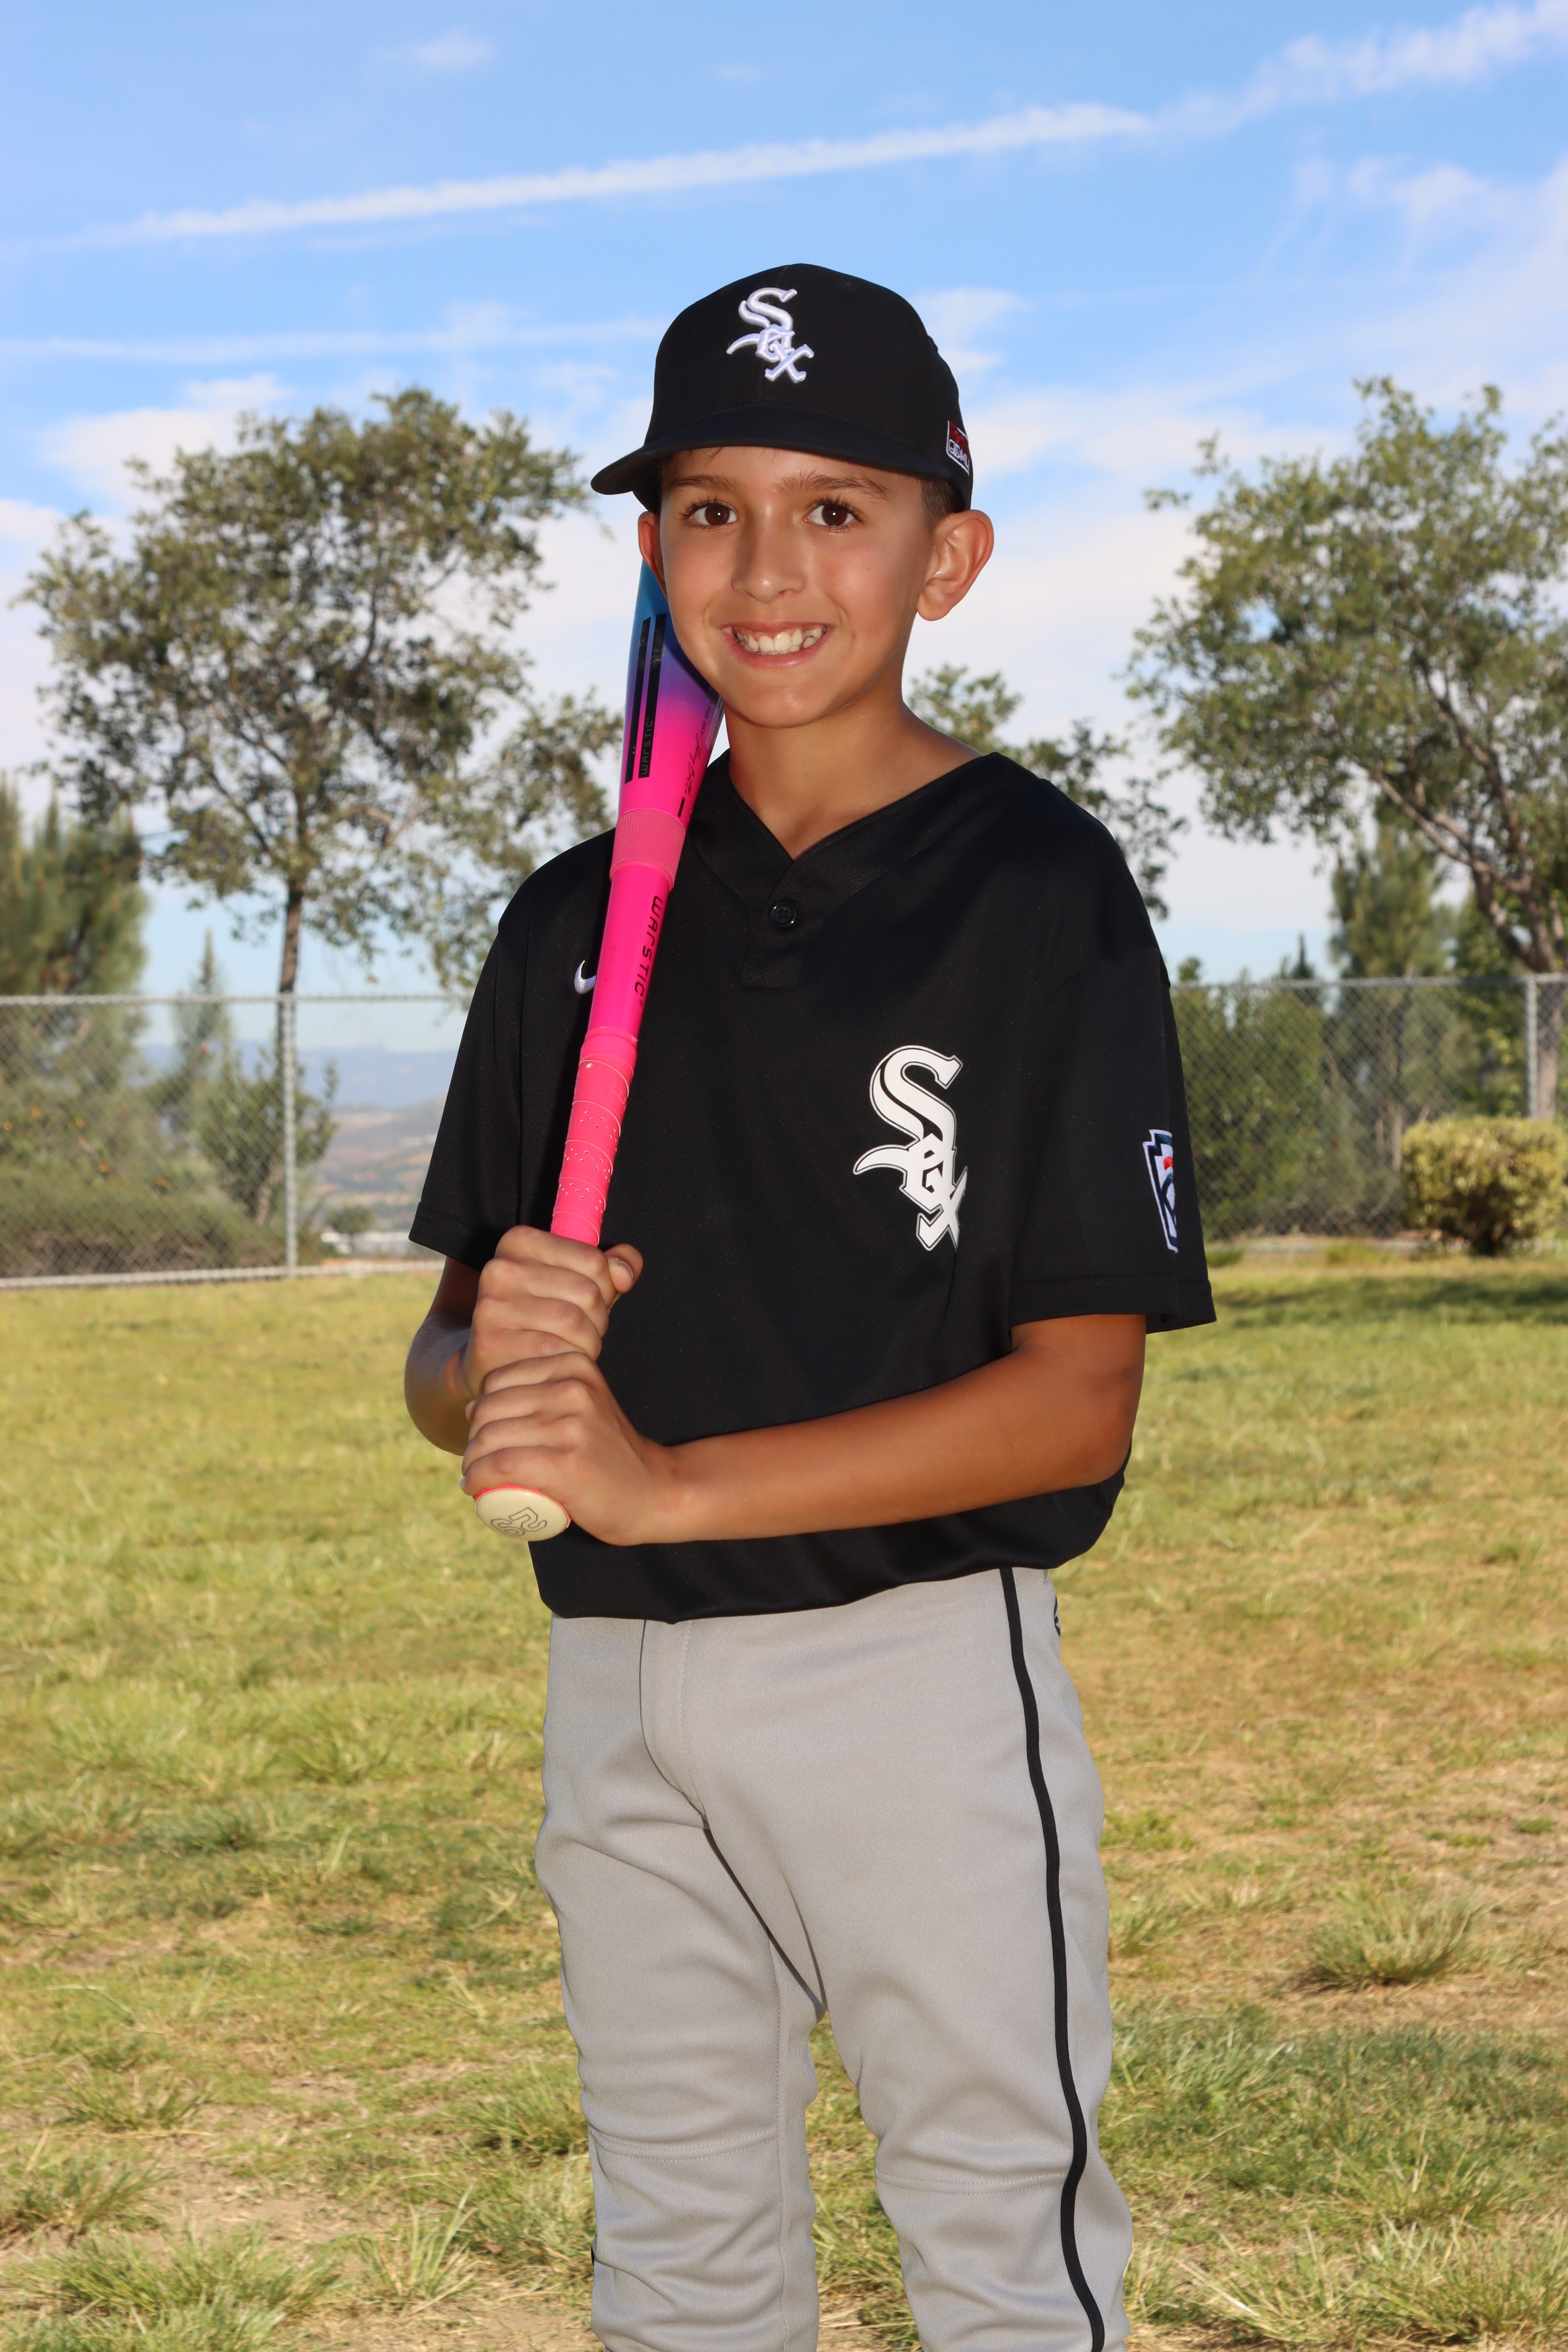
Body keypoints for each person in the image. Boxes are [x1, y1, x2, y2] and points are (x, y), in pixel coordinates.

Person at [404, 263, 1213, 2352]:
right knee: (677, 2264)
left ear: (948, 557)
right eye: (709, 509)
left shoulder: (1031, 889)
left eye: (834, 510)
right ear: (651, 551)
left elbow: (1077, 1404)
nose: (765, 570)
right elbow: (456, 1354)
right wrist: (495, 1377)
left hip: (909, 1670)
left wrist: (669, 1483)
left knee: (996, 2241)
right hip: (615, 1681)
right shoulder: (571, 921)